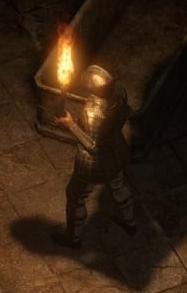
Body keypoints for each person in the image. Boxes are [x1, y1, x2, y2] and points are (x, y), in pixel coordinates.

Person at [52, 65, 137, 248]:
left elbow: (94, 147)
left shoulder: (92, 113)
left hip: (93, 165)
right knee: (118, 185)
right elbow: (126, 112)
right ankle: (130, 223)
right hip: (118, 151)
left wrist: (70, 125)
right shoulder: (119, 93)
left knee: (75, 197)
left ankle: (73, 240)